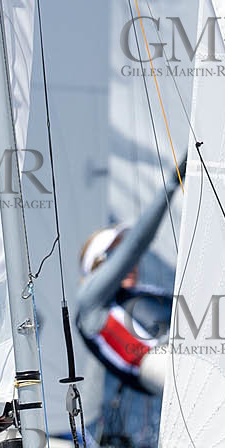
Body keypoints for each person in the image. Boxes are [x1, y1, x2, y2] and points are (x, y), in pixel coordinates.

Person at [73, 156, 187, 398]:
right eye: (115, 255)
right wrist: (172, 183)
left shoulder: (139, 295)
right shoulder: (90, 303)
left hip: (185, 354)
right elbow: (136, 245)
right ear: (98, 265)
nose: (129, 264)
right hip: (159, 365)